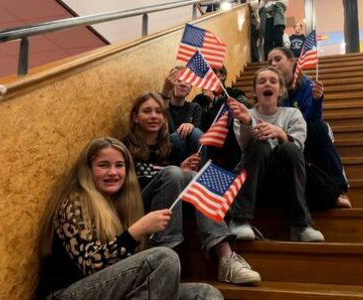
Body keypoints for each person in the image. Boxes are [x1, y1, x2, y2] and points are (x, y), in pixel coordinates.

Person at [37, 137, 224, 299]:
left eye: (119, 165)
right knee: (164, 258)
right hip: (68, 293)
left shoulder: (119, 204)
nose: (113, 172)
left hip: (111, 289)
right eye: (103, 165)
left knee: (206, 294)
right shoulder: (76, 201)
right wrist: (137, 230)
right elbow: (91, 264)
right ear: (88, 170)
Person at [122, 92, 262, 285]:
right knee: (174, 172)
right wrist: (173, 173)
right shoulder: (125, 146)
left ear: (164, 117)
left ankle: (226, 257)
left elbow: (172, 181)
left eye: (158, 112)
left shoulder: (169, 147)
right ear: (135, 117)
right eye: (147, 111)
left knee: (192, 175)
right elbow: (125, 187)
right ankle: (164, 257)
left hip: (168, 205)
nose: (154, 116)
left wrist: (181, 171)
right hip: (139, 206)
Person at [227, 66, 325, 242]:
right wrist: (247, 123)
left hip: (285, 182)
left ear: (280, 90)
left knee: (290, 147)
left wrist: (281, 134)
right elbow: (245, 148)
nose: (267, 84)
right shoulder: (244, 114)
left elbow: (298, 149)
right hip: (254, 181)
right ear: (255, 91)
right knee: (259, 145)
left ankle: (301, 225)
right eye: (262, 81)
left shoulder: (293, 114)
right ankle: (239, 220)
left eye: (273, 81)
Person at [267, 47, 352, 208]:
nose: (272, 64)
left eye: (278, 59)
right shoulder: (271, 90)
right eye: (270, 61)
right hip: (286, 141)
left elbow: (311, 120)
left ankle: (339, 188)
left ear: (292, 61)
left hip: (308, 133)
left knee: (318, 127)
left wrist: (316, 100)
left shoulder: (307, 85)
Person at [193, 66, 250, 171]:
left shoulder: (235, 93)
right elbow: (196, 121)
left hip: (229, 143)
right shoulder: (199, 99)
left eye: (213, 73)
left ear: (222, 76)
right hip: (207, 144)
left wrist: (214, 100)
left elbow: (242, 110)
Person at [161, 66, 204, 163]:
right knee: (176, 138)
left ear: (190, 88)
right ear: (170, 84)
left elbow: (198, 136)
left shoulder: (195, 107)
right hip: (170, 157)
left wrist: (192, 126)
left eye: (187, 81)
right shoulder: (161, 105)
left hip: (191, 155)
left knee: (197, 133)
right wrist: (165, 91)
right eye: (178, 81)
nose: (183, 84)